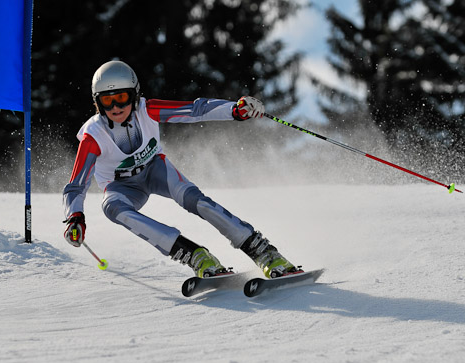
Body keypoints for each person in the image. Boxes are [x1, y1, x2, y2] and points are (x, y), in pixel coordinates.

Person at [62, 60, 302, 279]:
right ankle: (194, 254)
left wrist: (234, 111)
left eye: (121, 97)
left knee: (196, 200)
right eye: (107, 100)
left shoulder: (147, 110)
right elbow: (76, 184)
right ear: (98, 103)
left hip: (155, 170)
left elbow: (195, 110)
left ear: (134, 96)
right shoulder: (93, 136)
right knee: (111, 207)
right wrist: (75, 217)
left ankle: (261, 250)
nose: (115, 107)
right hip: (121, 187)